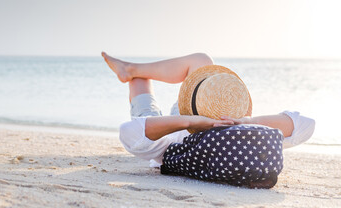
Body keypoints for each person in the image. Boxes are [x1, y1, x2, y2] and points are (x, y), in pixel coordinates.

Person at [101, 52, 315, 187]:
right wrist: (245, 121)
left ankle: (131, 70)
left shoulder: (179, 147)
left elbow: (129, 132)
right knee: (202, 60)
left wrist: (191, 122)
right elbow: (305, 125)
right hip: (196, 108)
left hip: (167, 128)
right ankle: (131, 69)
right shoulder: (244, 140)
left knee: (140, 86)